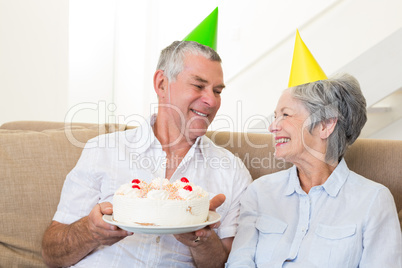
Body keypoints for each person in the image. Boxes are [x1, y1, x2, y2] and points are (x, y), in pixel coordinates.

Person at [42, 40, 252, 267]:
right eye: (198, 86)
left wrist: (201, 240)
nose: (211, 100)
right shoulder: (102, 150)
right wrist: (90, 231)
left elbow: (228, 263)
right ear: (162, 84)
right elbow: (52, 254)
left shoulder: (232, 171)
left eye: (217, 91)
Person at [226, 31, 402, 267]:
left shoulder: (373, 200)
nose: (272, 127)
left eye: (285, 115)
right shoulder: (259, 192)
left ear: (325, 124)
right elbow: (239, 262)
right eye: (274, 116)